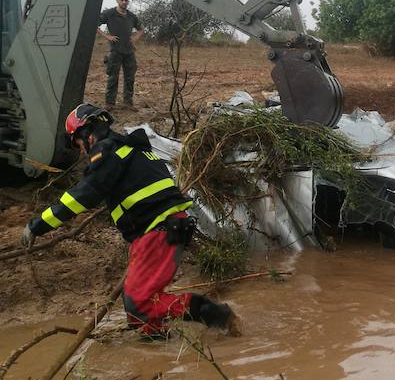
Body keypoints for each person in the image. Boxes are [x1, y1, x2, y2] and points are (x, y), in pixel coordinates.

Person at [21, 103, 238, 337]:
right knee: (137, 306)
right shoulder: (131, 149)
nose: (82, 150)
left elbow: (84, 195)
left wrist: (37, 226)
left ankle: (213, 314)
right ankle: (156, 345)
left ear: (87, 135)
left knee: (139, 306)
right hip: (167, 228)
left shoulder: (107, 151)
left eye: (78, 143)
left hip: (156, 231)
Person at [97, 0, 144, 107]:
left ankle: (128, 103)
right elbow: (94, 23)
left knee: (130, 78)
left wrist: (135, 38)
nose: (124, 2)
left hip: (129, 51)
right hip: (115, 51)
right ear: (117, 0)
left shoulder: (132, 16)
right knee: (113, 77)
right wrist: (107, 36)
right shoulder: (109, 14)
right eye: (122, 0)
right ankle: (110, 104)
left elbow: (141, 29)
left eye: (126, 0)